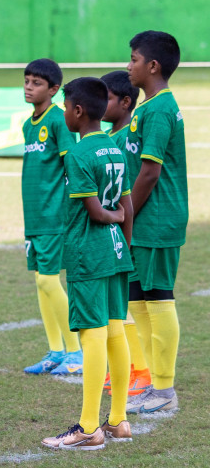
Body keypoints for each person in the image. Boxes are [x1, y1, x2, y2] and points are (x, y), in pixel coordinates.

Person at [41, 77, 134, 450]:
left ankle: (88, 426)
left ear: (77, 112)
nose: (63, 113)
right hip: (115, 255)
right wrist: (122, 245)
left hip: (88, 254)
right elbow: (126, 206)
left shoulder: (78, 155)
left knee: (92, 334)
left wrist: (109, 220)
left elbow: (97, 212)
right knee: (115, 331)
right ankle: (119, 420)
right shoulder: (115, 148)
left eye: (65, 107)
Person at [123, 30, 186, 416]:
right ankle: (151, 383)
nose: (128, 66)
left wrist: (126, 215)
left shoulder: (161, 108)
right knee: (138, 299)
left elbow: (149, 173)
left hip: (157, 218)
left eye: (133, 59)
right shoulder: (148, 108)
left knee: (158, 297)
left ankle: (164, 388)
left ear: (152, 66)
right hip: (145, 219)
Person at [18, 59, 82, 376]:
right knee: (41, 283)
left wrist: (72, 208)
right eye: (27, 81)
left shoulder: (59, 121)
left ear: (54, 89)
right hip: (34, 217)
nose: (29, 87)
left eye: (37, 83)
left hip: (55, 216)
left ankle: (76, 351)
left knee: (48, 279)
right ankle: (55, 350)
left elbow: (73, 166)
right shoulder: (28, 124)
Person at [100, 69, 151, 400]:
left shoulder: (121, 140)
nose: (99, 104)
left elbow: (126, 192)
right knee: (117, 304)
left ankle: (141, 370)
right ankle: (127, 366)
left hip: (120, 231)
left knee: (125, 303)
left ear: (125, 102)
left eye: (105, 98)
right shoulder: (111, 139)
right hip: (115, 229)